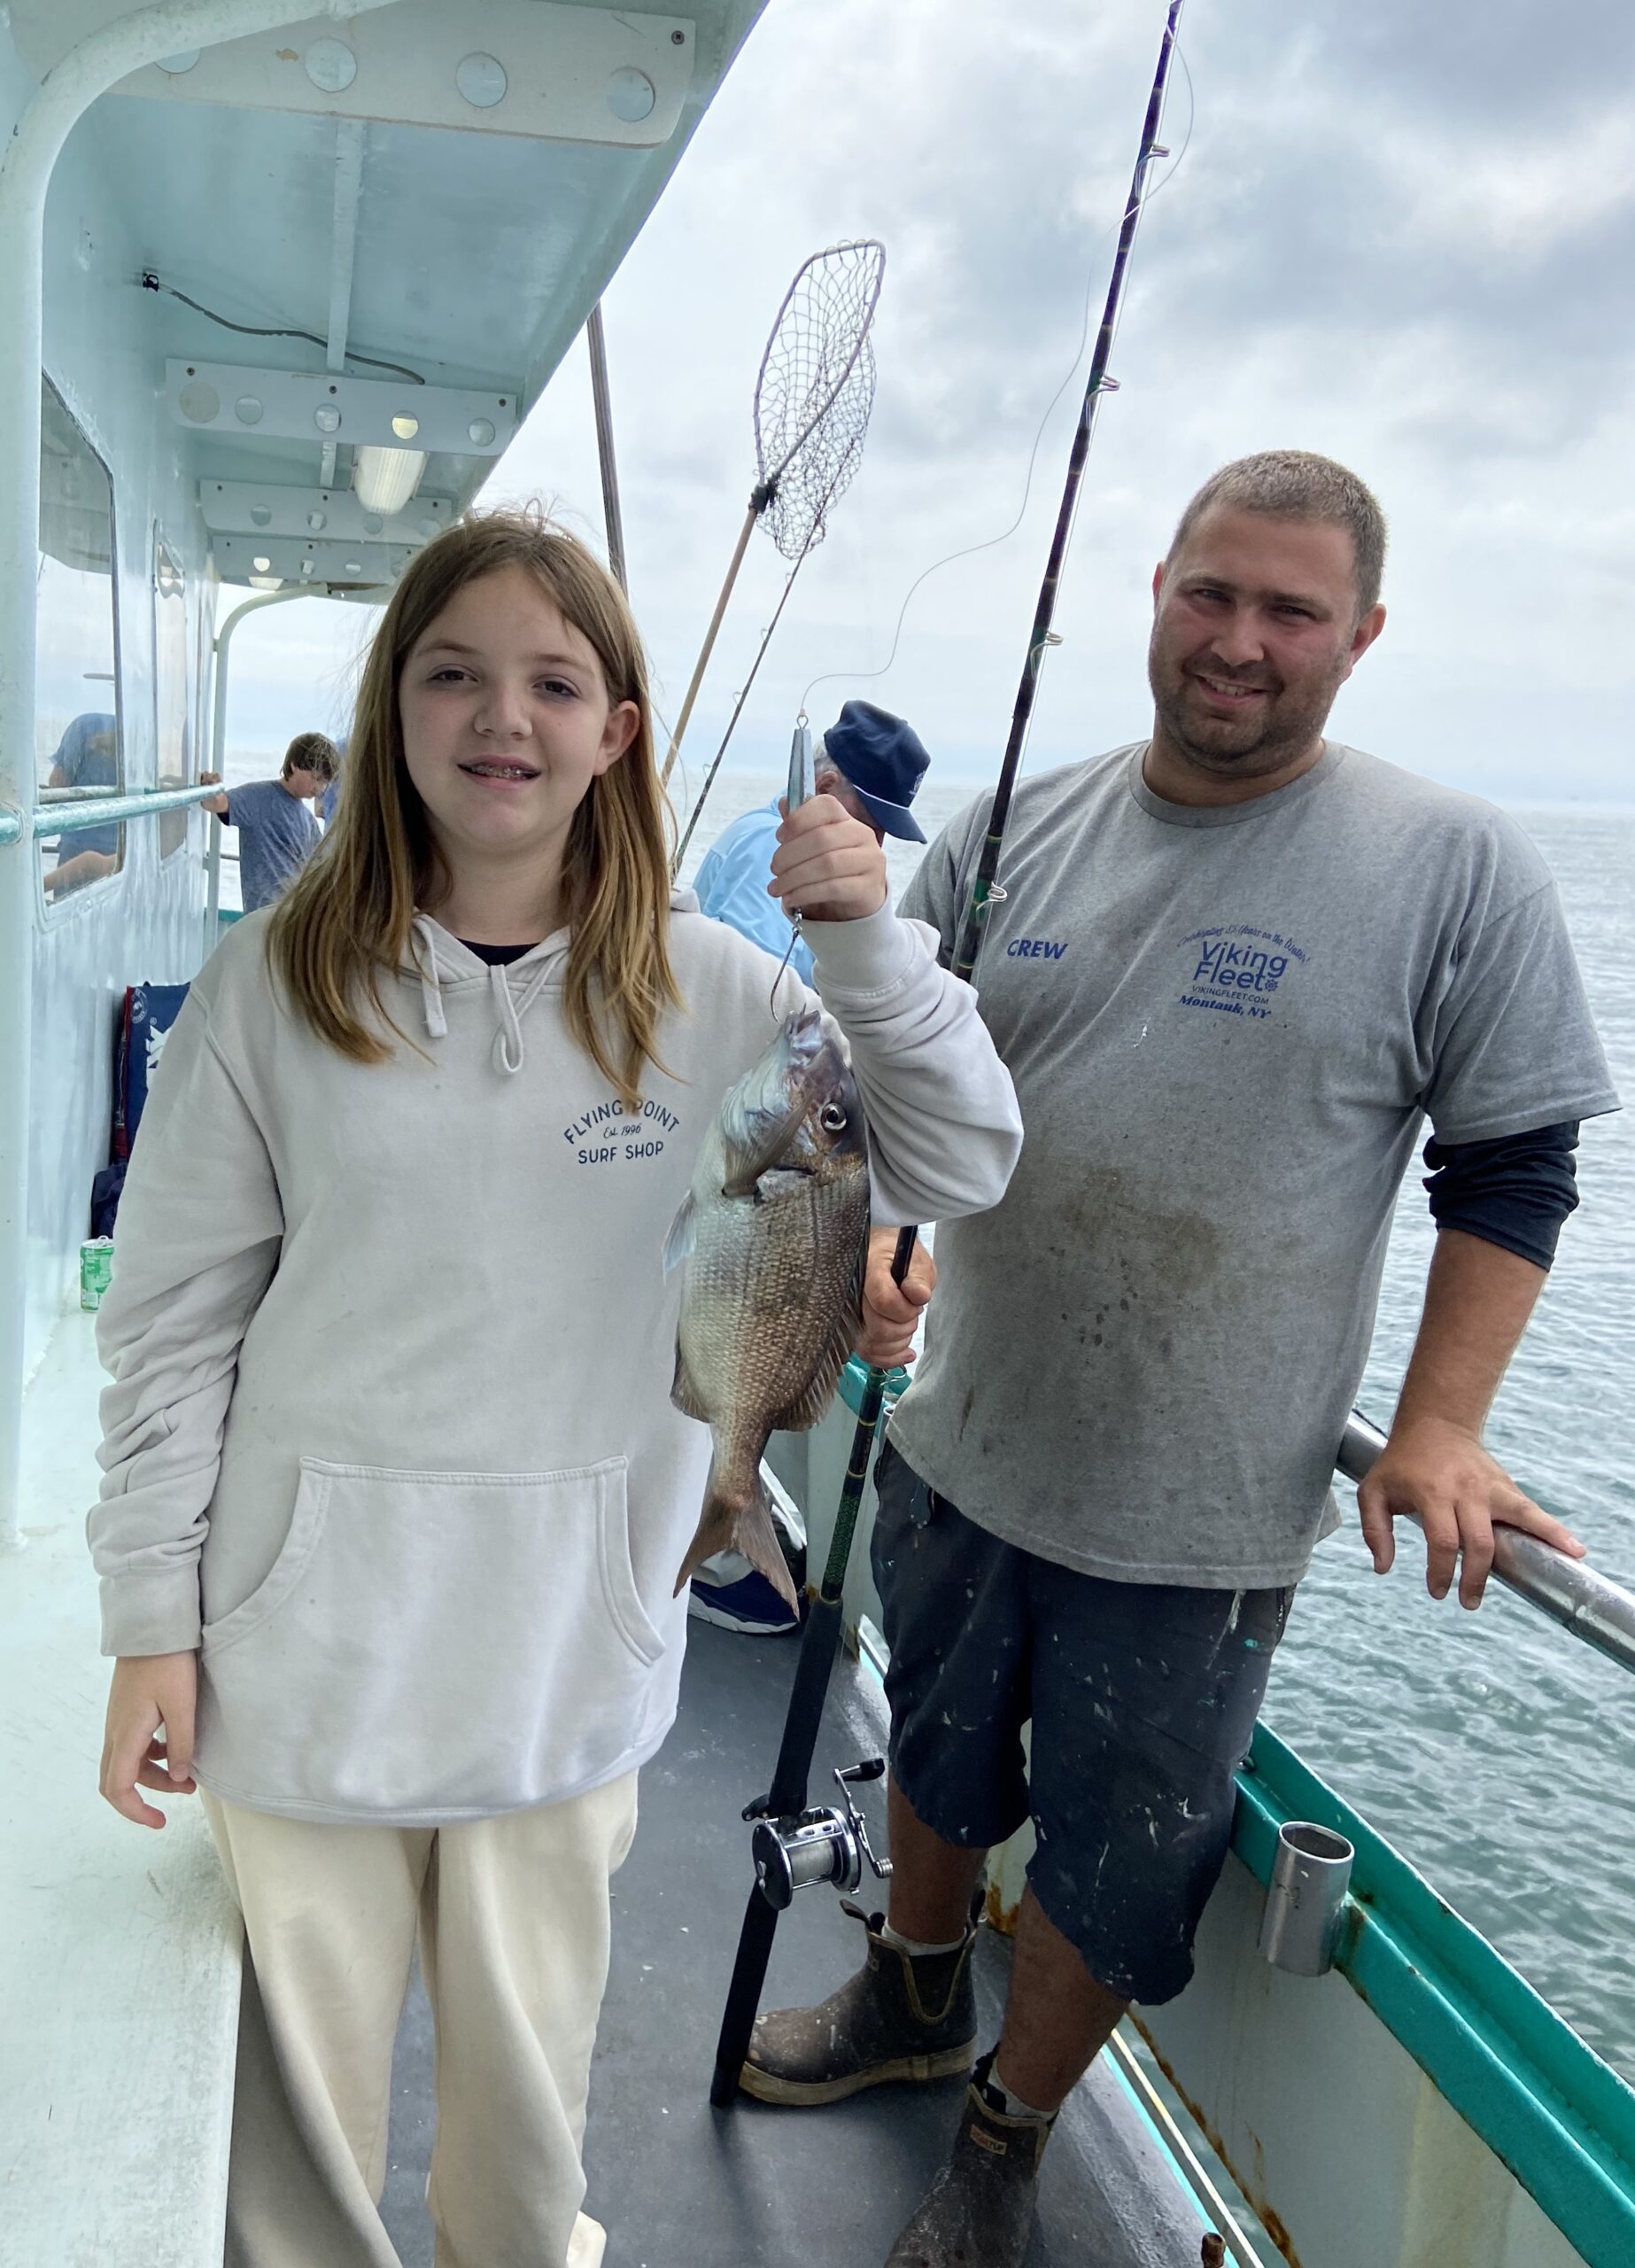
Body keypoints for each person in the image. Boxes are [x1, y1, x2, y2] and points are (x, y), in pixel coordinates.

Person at [89, 509, 1020, 2268]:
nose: (500, 715)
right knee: (291, 2154)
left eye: (553, 682)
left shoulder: (729, 997)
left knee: (523, 2138)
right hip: (302, 1664)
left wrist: (866, 944)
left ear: (617, 730)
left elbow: (963, 1156)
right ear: (392, 712)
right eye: (451, 673)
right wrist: (154, 1619)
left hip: (567, 1664)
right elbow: (173, 1326)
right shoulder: (269, 984)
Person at [740, 450, 1619, 2268]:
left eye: (1291, 610)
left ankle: (1004, 2140)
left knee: (1118, 1853)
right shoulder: (1010, 827)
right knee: (935, 1750)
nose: (1239, 639)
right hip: (965, 1429)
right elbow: (902, 1076)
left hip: (1197, 1507)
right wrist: (889, 1238)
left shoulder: (1452, 866)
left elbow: (1513, 1165)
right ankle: (910, 1993)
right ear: (1153, 590)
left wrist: (1441, 1424)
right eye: (1210, 592)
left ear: (1361, 635)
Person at [693, 700, 930, 983]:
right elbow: (759, 989)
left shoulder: (781, 840)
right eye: (871, 822)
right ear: (824, 788)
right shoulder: (774, 846)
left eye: (886, 831)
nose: (875, 844)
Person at [199, 730, 337, 912]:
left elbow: (321, 869)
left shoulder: (309, 821)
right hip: (262, 918)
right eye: (316, 778)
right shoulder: (257, 797)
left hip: (295, 916)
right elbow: (216, 803)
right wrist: (211, 788)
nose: (319, 787)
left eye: (325, 782)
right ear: (294, 765)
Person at [43, 711, 120, 895]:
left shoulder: (84, 725)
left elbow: (57, 785)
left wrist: (36, 889)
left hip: (75, 856)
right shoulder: (140, 736)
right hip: (122, 853)